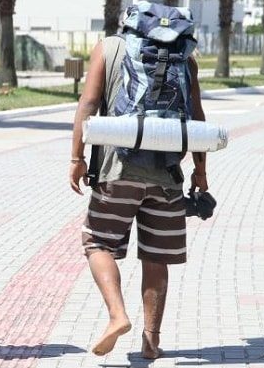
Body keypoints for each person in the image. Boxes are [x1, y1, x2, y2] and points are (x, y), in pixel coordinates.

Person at [69, 35, 209, 358]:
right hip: (167, 175)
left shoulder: (109, 48)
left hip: (116, 171)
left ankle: (117, 314)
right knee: (156, 256)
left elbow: (88, 104)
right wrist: (200, 171)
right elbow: (197, 118)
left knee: (97, 242)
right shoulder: (184, 58)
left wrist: (77, 158)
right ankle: (151, 342)